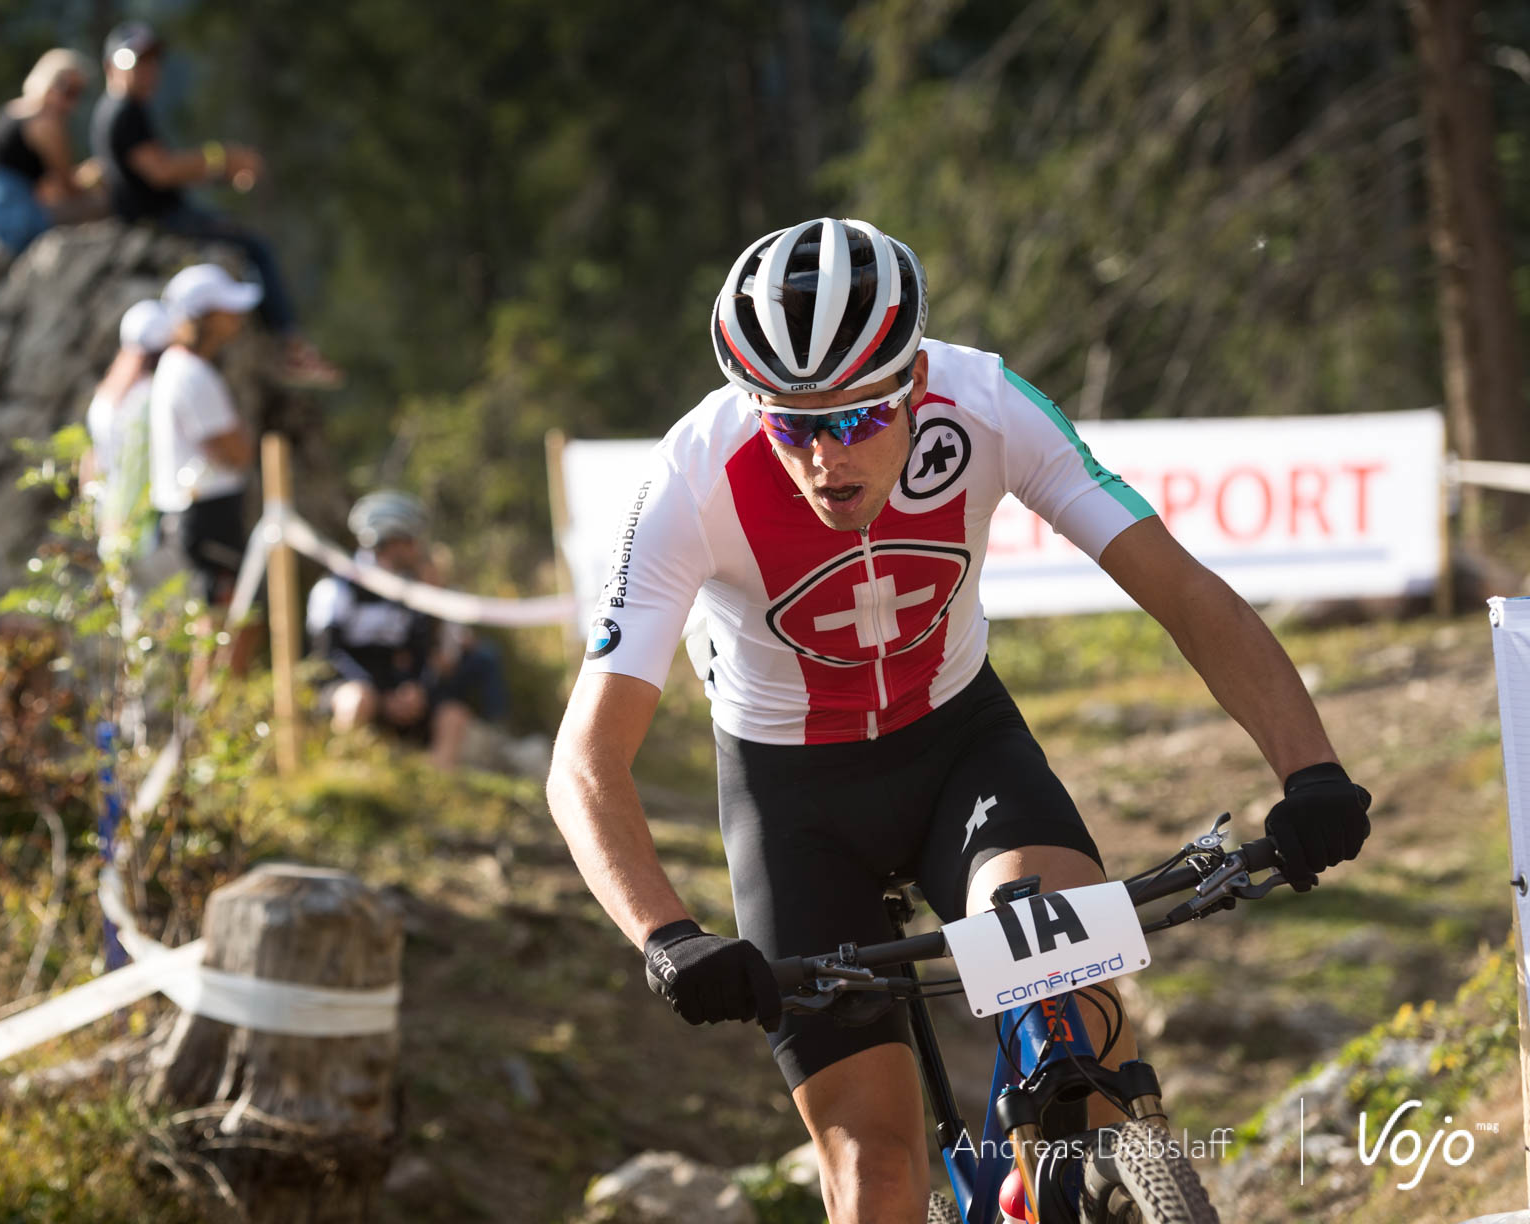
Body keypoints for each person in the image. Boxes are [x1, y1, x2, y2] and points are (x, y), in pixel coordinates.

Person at [544, 217, 1373, 1222]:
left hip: (958, 749)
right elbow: (585, 760)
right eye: (791, 426)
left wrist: (1309, 770)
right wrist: (665, 934)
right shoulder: (690, 478)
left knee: (1083, 1053)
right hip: (790, 797)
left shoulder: (985, 405)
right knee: (877, 1171)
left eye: (856, 418)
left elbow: (1184, 594)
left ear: (913, 382)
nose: (824, 457)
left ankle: (1062, 1179)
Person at [91, 20, 341, 387]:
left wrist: (220, 169)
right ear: (110, 67)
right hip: (160, 221)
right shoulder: (123, 111)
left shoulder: (121, 110)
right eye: (135, 62)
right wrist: (223, 160)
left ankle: (283, 344)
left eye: (151, 61)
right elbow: (161, 171)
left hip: (158, 218)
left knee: (247, 241)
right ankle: (289, 346)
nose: (147, 71)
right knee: (254, 247)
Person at [305, 492, 499, 771]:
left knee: (454, 716)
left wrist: (416, 689)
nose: (417, 548)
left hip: (398, 693)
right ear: (388, 540)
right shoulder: (336, 588)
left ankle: (435, 786)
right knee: (357, 699)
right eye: (410, 539)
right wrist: (378, 694)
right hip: (349, 689)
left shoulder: (412, 592)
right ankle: (342, 777)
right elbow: (326, 654)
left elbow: (422, 651)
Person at [149, 263, 259, 610]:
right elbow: (235, 452)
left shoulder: (178, 365)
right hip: (209, 513)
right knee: (229, 617)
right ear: (207, 316)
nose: (238, 316)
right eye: (227, 307)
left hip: (195, 512)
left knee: (218, 615)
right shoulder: (192, 373)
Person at [0, 48, 100, 255]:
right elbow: (67, 187)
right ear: (46, 80)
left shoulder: (13, 110)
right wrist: (91, 179)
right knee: (101, 205)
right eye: (67, 90)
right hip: (1, 218)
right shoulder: (45, 121)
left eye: (77, 93)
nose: (70, 102)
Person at [86, 298, 171, 563]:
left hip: (109, 526)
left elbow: (91, 460)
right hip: (145, 534)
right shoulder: (150, 398)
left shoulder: (104, 397)